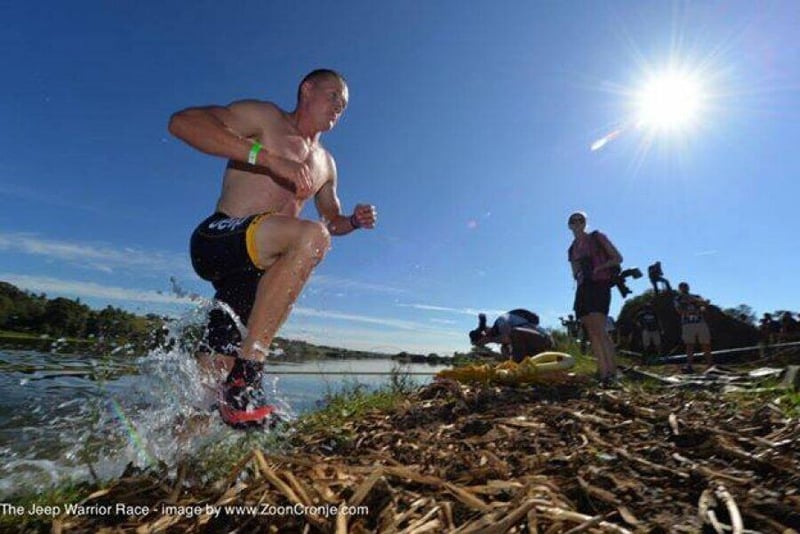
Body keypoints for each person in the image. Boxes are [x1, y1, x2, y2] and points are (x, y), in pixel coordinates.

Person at [169, 69, 377, 427]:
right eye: (333, 97)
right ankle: (250, 374)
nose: (338, 109)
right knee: (310, 237)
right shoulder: (265, 118)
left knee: (208, 391)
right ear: (307, 90)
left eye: (343, 106)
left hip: (253, 275)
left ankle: (162, 465)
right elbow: (183, 123)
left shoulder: (326, 164)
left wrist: (354, 222)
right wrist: (266, 158)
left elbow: (331, 221)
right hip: (219, 237)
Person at [567, 211, 623, 386]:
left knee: (600, 328)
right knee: (591, 331)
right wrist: (579, 272)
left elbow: (618, 258)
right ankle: (602, 370)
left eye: (580, 219)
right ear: (569, 225)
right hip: (583, 288)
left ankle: (611, 373)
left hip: (599, 284)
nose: (577, 223)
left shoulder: (597, 237)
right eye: (573, 221)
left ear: (585, 222)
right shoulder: (572, 248)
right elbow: (574, 272)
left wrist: (599, 267)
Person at [469, 309, 554, 363]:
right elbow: (507, 354)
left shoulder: (501, 322)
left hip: (544, 339)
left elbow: (509, 337)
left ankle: (517, 368)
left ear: (484, 335)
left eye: (481, 342)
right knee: (506, 350)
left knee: (515, 332)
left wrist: (489, 337)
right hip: (533, 346)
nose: (485, 343)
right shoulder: (499, 339)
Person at [673, 282, 712, 373]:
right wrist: (693, 305)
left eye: (686, 286)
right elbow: (679, 310)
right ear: (679, 289)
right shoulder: (677, 298)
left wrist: (699, 305)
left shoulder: (696, 296)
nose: (684, 288)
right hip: (687, 324)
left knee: (706, 344)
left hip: (700, 322)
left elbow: (705, 305)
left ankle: (710, 365)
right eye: (682, 287)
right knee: (689, 345)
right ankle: (689, 365)